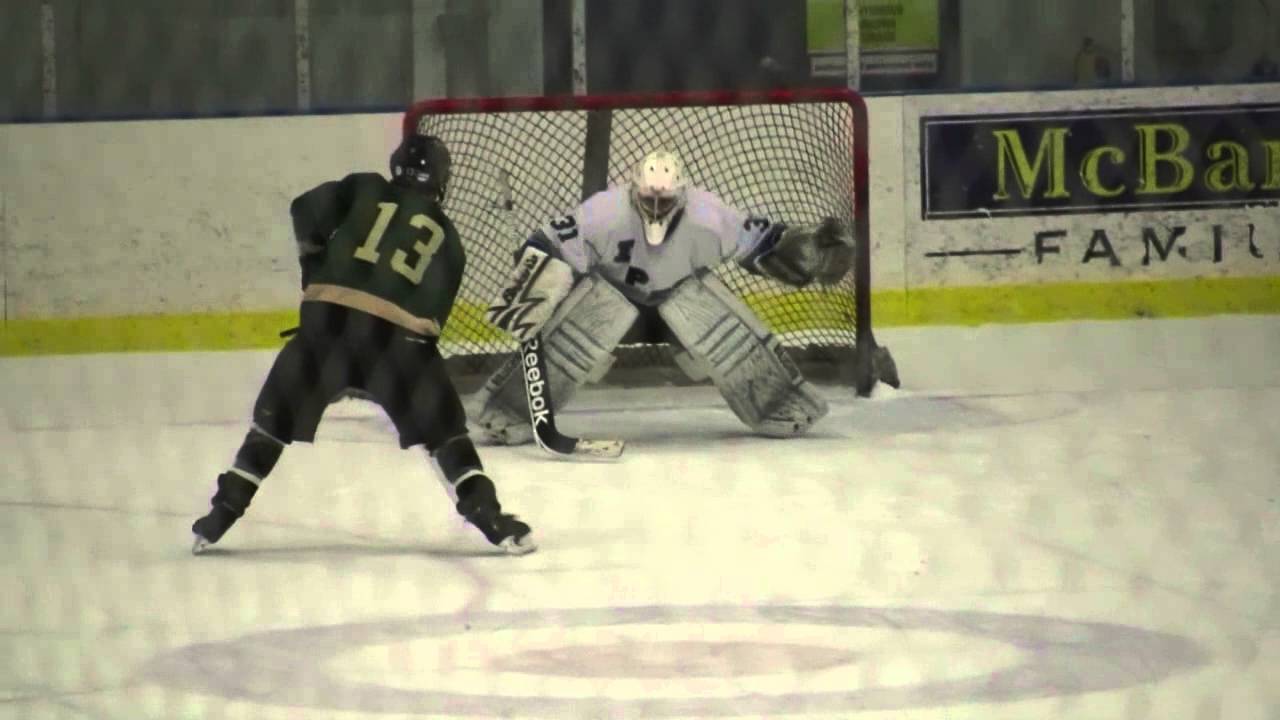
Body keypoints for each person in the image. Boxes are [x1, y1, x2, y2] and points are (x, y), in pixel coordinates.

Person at [191, 133, 535, 556]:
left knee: (270, 427)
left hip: (325, 327)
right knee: (447, 436)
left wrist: (313, 266)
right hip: (399, 345)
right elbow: (430, 322)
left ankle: (220, 514)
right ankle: (491, 518)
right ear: (442, 180)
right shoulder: (448, 238)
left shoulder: (364, 186)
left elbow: (304, 207)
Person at [477, 149, 855, 445]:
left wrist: (802, 253)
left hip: (679, 309)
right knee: (602, 308)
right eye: (649, 199)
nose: (656, 207)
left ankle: (779, 400)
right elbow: (548, 244)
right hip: (612, 305)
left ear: (683, 194)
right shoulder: (604, 213)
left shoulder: (708, 216)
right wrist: (532, 288)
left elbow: (763, 243)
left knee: (694, 302)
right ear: (632, 190)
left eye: (665, 200)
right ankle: (511, 408)